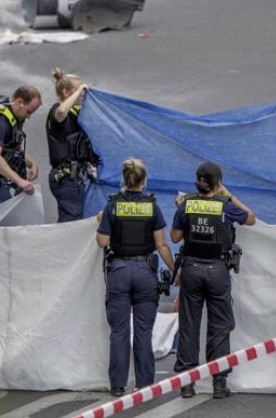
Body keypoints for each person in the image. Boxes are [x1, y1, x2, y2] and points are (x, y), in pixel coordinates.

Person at [171, 162, 255, 399]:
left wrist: (180, 210)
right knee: (219, 326)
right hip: (218, 270)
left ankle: (187, 383)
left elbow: (175, 237)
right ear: (218, 184)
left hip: (191, 269)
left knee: (189, 326)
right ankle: (219, 382)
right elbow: (251, 219)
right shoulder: (226, 206)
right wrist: (227, 194)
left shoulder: (187, 204)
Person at [96, 158, 175, 397]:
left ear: (124, 178)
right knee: (143, 331)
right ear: (144, 180)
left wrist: (103, 220)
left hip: (119, 271)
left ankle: (118, 386)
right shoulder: (152, 206)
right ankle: (144, 385)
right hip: (144, 273)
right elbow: (161, 245)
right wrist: (175, 271)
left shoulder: (113, 205)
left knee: (119, 332)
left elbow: (102, 241)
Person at [46, 68, 100, 222]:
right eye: (78, 90)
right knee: (69, 222)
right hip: (66, 178)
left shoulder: (76, 116)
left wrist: (90, 166)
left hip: (76, 177)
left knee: (75, 218)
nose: (82, 94)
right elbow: (61, 112)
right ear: (66, 92)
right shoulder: (57, 110)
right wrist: (79, 91)